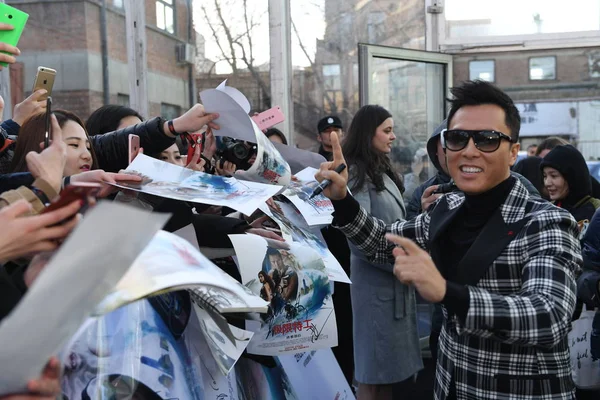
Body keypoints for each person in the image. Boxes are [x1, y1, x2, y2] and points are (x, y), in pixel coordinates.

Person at [316, 80, 581, 399]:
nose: (469, 150)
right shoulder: (448, 208)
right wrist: (343, 200)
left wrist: (447, 292)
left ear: (513, 153)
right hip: (450, 386)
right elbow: (383, 245)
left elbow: (548, 315)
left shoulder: (547, 220)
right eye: (457, 138)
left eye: (487, 139)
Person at [342, 105, 421, 400]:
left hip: (391, 287)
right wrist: (399, 260)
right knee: (371, 375)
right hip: (375, 291)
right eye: (386, 130)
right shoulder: (357, 174)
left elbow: (393, 223)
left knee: (386, 375)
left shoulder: (380, 170)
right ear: (367, 133)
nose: (393, 136)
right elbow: (358, 235)